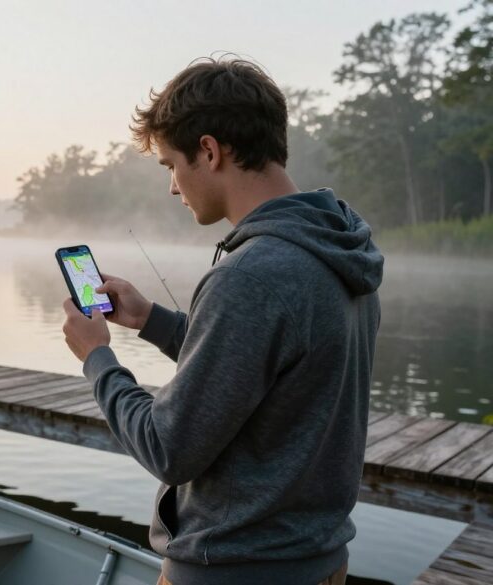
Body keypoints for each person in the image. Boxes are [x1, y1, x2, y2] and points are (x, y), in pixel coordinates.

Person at [61, 57, 383, 585]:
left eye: (170, 165)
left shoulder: (250, 275)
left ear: (209, 151)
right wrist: (151, 320)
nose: (172, 186)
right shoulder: (342, 249)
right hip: (320, 564)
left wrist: (97, 357)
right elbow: (267, 365)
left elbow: (168, 447)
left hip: (234, 571)